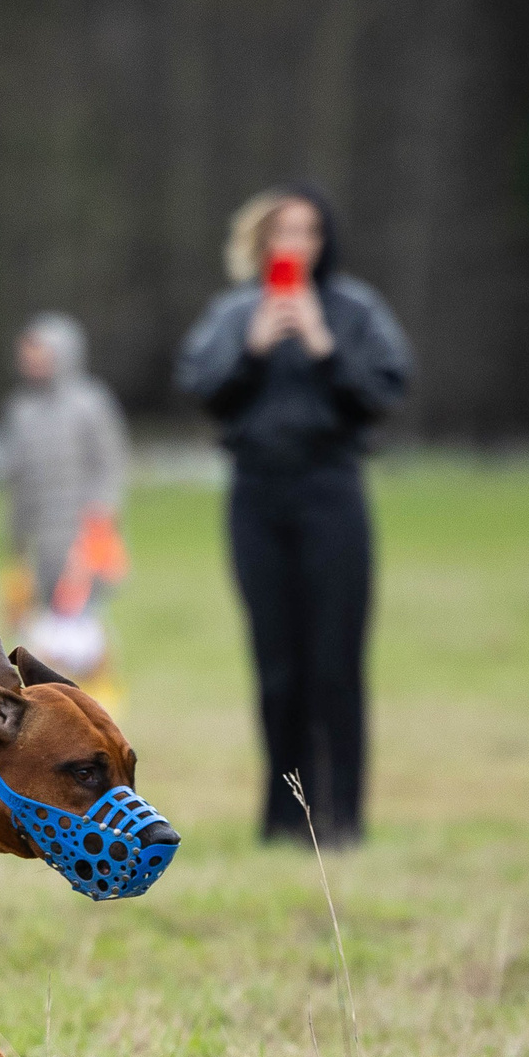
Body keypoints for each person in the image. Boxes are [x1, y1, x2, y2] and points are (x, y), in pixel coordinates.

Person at [175, 184, 411, 847]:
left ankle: (342, 818)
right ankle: (284, 817)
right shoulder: (233, 311)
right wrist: (251, 348)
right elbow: (202, 388)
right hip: (256, 494)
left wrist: (323, 344)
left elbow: (382, 391)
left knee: (334, 661)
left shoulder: (354, 309)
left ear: (325, 240)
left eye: (308, 231)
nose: (296, 244)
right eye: (283, 232)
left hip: (331, 490)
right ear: (263, 242)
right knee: (276, 666)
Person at [0, 312, 129, 686]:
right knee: (41, 632)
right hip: (40, 541)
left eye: (39, 351)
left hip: (84, 537)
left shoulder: (90, 403)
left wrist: (99, 525)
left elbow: (109, 466)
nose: (31, 360)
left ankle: (99, 710)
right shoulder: (20, 411)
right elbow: (16, 480)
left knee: (85, 627)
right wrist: (15, 538)